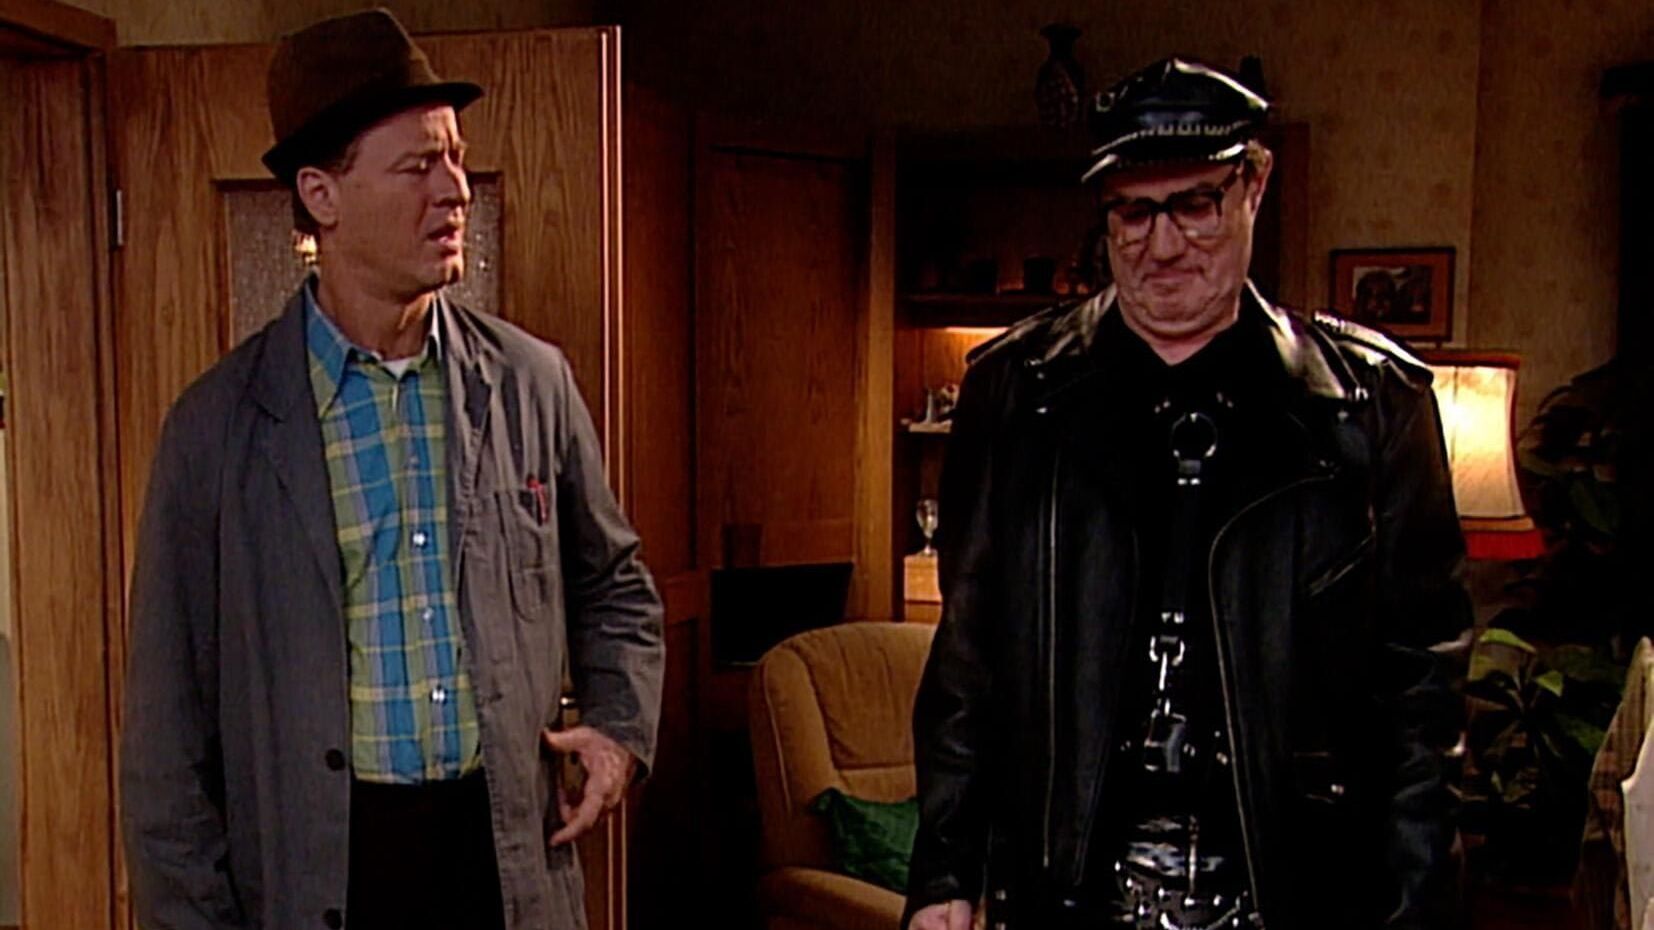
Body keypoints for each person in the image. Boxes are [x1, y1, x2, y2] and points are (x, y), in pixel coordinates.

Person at [118, 10, 664, 930]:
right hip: (324, 878)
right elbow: (165, 742)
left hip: (503, 864)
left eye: (455, 160)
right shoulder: (216, 430)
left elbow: (616, 585)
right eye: (417, 167)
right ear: (321, 195)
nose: (455, 191)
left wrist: (618, 730)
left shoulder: (530, 383)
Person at [904, 57, 1469, 930]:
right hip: (1071, 890)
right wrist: (945, 871)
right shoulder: (1017, 395)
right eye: (1132, 213)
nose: (1162, 247)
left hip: (1298, 891)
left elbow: (1422, 697)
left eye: (1194, 205)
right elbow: (968, 661)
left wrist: (1414, 907)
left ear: (1254, 185)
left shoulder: (1369, 407)